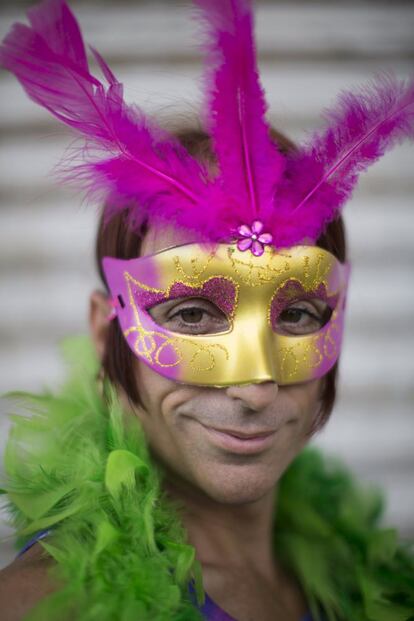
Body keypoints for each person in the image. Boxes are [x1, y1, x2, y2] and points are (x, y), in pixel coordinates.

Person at [0, 1, 413, 620]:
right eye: (191, 314)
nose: (254, 388)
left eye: (298, 314)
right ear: (101, 327)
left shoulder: (369, 577)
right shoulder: (40, 605)